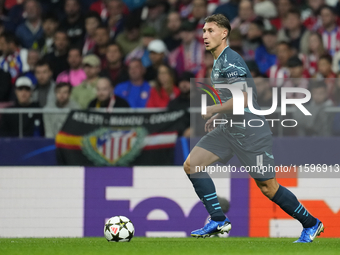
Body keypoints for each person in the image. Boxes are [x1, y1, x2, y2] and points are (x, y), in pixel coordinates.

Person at [184, 14, 324, 243]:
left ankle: (311, 223)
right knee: (192, 165)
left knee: (269, 187)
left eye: (210, 30)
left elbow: (244, 99)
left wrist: (213, 108)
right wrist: (220, 114)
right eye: (203, 31)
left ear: (224, 33)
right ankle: (218, 219)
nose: (204, 36)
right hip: (229, 129)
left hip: (251, 133)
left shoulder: (230, 61)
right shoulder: (219, 62)